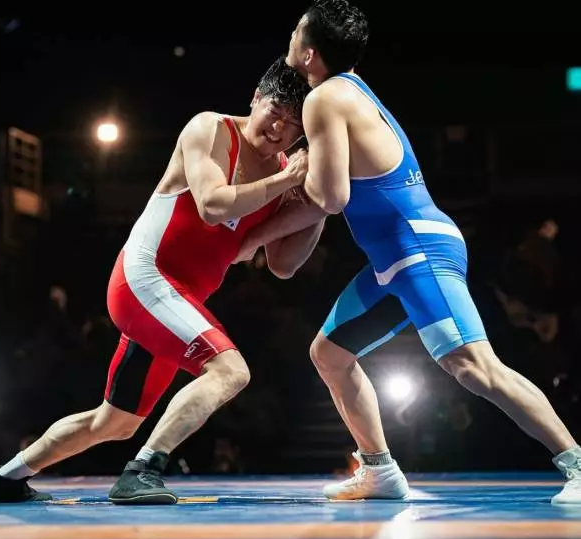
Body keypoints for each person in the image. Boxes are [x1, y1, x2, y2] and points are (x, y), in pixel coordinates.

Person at [242, 0, 580, 505]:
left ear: (309, 53)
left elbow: (330, 197)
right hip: (394, 259)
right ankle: (379, 469)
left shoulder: (325, 97)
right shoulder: (350, 89)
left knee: (474, 366)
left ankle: (576, 462)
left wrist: (274, 199)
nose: (289, 36)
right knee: (330, 354)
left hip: (418, 247)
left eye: (296, 31)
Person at [0, 57, 326, 504]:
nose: (279, 130)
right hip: (144, 279)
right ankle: (141, 470)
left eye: (293, 126)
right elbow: (213, 206)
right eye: (275, 112)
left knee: (115, 422)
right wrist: (286, 180)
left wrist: (320, 202)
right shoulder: (211, 129)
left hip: (175, 301)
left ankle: (4, 478)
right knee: (230, 370)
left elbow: (282, 264)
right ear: (256, 98)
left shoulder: (282, 172)